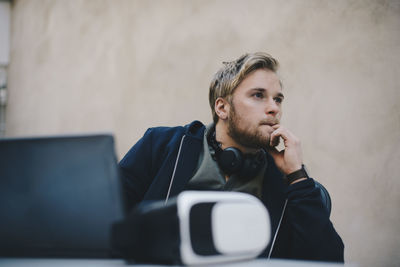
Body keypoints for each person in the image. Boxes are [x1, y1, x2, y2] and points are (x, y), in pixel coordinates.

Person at [119, 52, 344, 262]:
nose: (274, 108)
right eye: (258, 95)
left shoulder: (287, 182)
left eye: (278, 99)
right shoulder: (162, 146)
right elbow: (105, 222)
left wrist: (297, 177)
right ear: (222, 108)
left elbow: (329, 261)